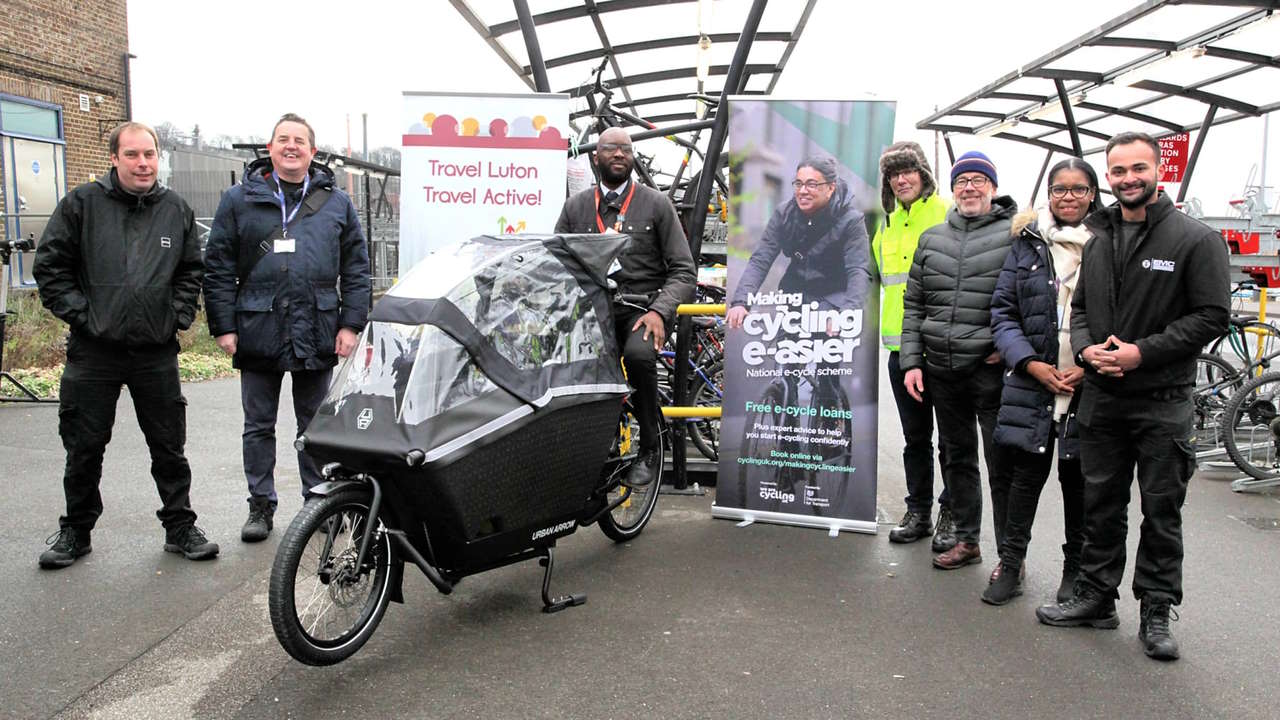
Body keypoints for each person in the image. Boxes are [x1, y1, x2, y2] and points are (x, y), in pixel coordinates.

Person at [1036, 132, 1229, 661]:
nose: (1128, 179)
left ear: (1156, 171)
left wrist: (1140, 353)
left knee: (1162, 510)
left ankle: (1157, 609)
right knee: (1101, 504)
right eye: (1118, 171)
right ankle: (1097, 598)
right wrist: (1089, 350)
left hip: (1162, 399)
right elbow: (1079, 309)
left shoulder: (1194, 240)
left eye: (1137, 168)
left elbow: (1212, 315)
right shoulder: (1097, 238)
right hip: (1102, 397)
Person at [33, 121, 218, 567]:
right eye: (133, 155)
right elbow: (50, 267)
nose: (142, 163)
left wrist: (176, 315)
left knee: (168, 446)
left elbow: (192, 270)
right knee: (84, 446)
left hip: (154, 352)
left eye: (149, 154)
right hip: (94, 352)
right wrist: (86, 317)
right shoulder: (81, 205)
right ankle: (75, 532)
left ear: (159, 158)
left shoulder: (175, 209)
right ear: (114, 158)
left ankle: (180, 527)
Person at [204, 113, 370, 542]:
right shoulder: (238, 200)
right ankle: (260, 505)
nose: (291, 146)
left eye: (299, 140)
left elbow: (356, 269)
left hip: (316, 325)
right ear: (270, 147)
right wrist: (224, 325)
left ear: (312, 151)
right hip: (258, 324)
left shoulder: (337, 203)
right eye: (283, 140)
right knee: (257, 424)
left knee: (314, 426)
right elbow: (218, 266)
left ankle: (318, 502)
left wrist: (351, 323)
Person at [983, 158, 1100, 605]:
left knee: (1078, 482)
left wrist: (1090, 368)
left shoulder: (1108, 243)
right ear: (1048, 194)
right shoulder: (1027, 243)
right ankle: (1011, 565)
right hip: (1032, 382)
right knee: (1022, 480)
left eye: (1078, 189)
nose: (1068, 197)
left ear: (1092, 193)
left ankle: (1074, 573)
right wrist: (1030, 363)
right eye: (1059, 189)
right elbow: (1003, 312)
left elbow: (1126, 315)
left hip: (1086, 383)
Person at [554, 126, 696, 487]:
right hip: (594, 312)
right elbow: (558, 264)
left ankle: (650, 445)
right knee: (571, 369)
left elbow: (683, 271)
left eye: (627, 149)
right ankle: (585, 449)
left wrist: (660, 311)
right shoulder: (575, 207)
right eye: (611, 148)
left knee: (637, 357)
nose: (620, 154)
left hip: (641, 309)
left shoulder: (656, 204)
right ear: (595, 157)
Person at [900, 150, 1015, 571]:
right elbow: (913, 306)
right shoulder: (932, 239)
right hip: (941, 371)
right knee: (957, 457)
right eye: (962, 180)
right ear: (952, 190)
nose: (969, 187)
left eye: (978, 180)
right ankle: (968, 541)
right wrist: (912, 362)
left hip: (990, 373)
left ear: (993, 188)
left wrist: (1008, 347)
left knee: (1001, 464)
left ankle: (1010, 555)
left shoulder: (1014, 235)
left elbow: (1031, 299)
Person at [870, 142, 952, 549]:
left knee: (953, 440)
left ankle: (951, 513)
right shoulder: (887, 222)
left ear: (923, 175)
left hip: (944, 346)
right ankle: (919, 511)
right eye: (894, 174)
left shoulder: (946, 212)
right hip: (902, 351)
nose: (901, 179)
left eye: (909, 171)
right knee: (916, 438)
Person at [726, 154, 871, 324]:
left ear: (831, 188)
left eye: (811, 184)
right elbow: (760, 259)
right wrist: (740, 302)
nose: (803, 191)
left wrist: (847, 314)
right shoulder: (784, 213)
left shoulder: (851, 220)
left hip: (834, 301)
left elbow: (858, 270)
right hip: (794, 298)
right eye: (799, 184)